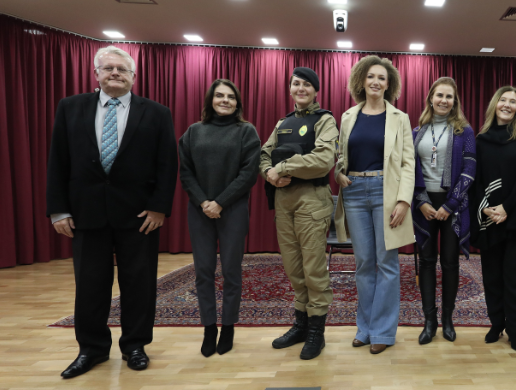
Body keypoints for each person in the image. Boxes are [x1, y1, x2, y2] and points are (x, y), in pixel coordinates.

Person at [46, 45, 177, 378]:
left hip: (139, 217)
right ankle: (91, 349)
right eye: (108, 69)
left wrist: (159, 207)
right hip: (86, 214)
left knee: (139, 284)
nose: (115, 73)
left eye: (121, 69)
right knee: (90, 285)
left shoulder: (157, 113)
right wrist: (58, 210)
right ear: (96, 74)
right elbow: (57, 161)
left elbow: (166, 165)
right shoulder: (70, 108)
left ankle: (135, 345)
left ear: (133, 76)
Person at [334, 55, 415, 355]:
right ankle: (364, 329)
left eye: (381, 77)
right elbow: (340, 157)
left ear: (389, 83)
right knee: (364, 264)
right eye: (371, 77)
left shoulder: (400, 118)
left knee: (387, 264)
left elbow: (408, 163)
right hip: (354, 192)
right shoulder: (347, 117)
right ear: (361, 81)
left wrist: (404, 200)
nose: (376, 82)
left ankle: (383, 331)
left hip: (386, 192)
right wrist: (339, 173)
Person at [259, 67, 338, 360]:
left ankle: (317, 330)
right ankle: (301, 324)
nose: (300, 88)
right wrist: (269, 172)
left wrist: (283, 167)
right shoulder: (283, 123)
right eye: (296, 84)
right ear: (290, 88)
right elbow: (264, 154)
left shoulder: (325, 120)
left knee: (313, 267)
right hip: (284, 200)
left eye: (306, 84)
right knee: (293, 266)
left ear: (316, 90)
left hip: (311, 199)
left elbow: (323, 159)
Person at [178, 79, 260, 357]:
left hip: (233, 210)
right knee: (203, 272)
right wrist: (204, 201)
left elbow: (248, 174)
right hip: (199, 210)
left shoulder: (246, 132)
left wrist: (220, 202)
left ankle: (228, 327)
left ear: (237, 103)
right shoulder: (193, 132)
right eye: (219, 96)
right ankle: (209, 327)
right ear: (210, 100)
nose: (225, 100)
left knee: (231, 271)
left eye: (230, 97)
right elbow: (185, 172)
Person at [469, 86, 516, 353]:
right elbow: (475, 179)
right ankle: (495, 324)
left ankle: (514, 330)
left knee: (515, 279)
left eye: (512, 102)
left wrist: (506, 207)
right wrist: (488, 208)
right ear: (495, 104)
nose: (507, 105)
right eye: (503, 100)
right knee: (491, 277)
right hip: (489, 219)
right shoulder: (481, 139)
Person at [411, 77, 476, 344]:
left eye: (449, 97)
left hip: (454, 205)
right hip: (424, 204)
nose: (443, 101)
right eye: (439, 95)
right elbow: (409, 170)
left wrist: (450, 205)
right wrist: (422, 201)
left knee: (449, 263)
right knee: (426, 262)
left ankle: (448, 319)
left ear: (455, 102)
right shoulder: (416, 131)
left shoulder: (465, 132)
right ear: (430, 98)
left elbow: (470, 169)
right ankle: (430, 321)